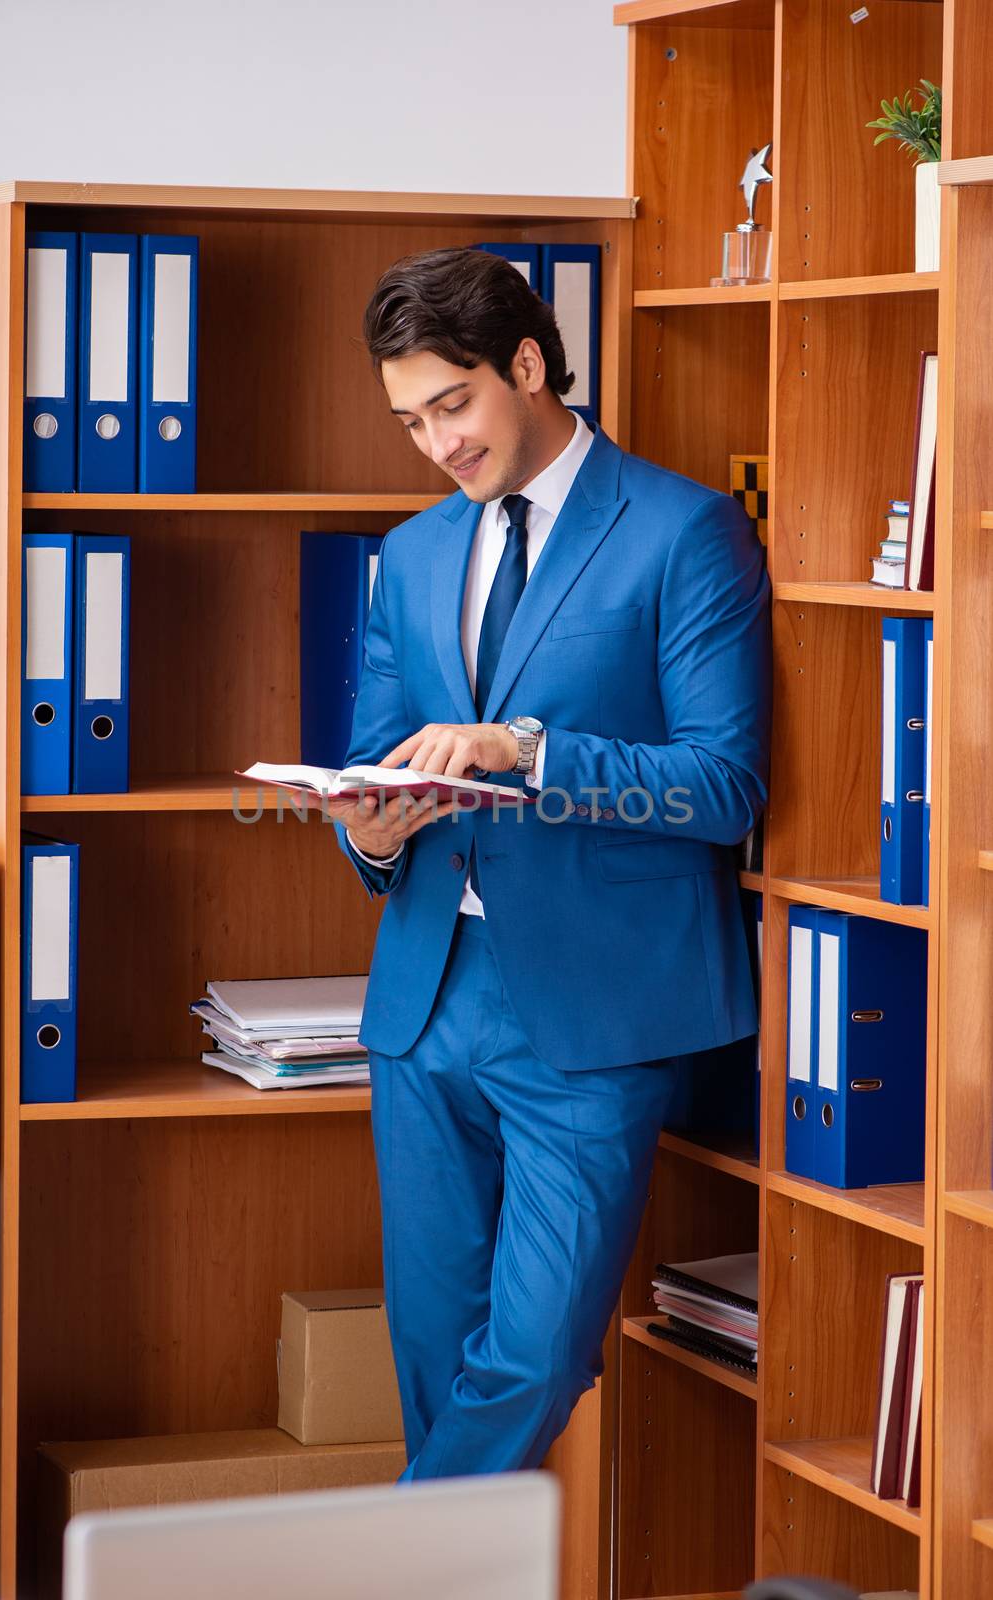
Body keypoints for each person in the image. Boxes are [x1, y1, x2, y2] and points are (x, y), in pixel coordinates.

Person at [327, 245, 771, 1479]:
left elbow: (724, 782)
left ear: (527, 364)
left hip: (594, 1011)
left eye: (452, 405)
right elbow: (372, 752)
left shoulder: (685, 529)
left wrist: (529, 749)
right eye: (411, 421)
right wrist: (364, 830)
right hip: (425, 996)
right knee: (431, 1348)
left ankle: (379, 1572)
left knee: (531, 1355)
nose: (437, 446)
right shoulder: (413, 553)